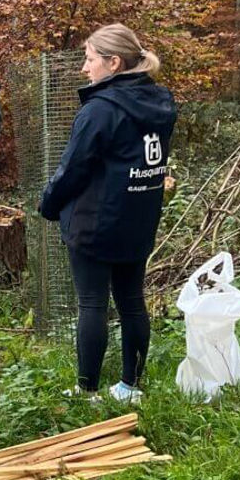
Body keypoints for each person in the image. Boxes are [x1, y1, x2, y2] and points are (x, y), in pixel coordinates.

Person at [38, 24, 176, 403]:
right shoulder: (161, 102)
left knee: (92, 303)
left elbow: (72, 169)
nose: (85, 68)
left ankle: (87, 389)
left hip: (95, 222)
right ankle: (131, 386)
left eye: (90, 58)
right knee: (132, 300)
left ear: (113, 63)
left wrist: (48, 204)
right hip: (139, 217)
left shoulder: (99, 111)